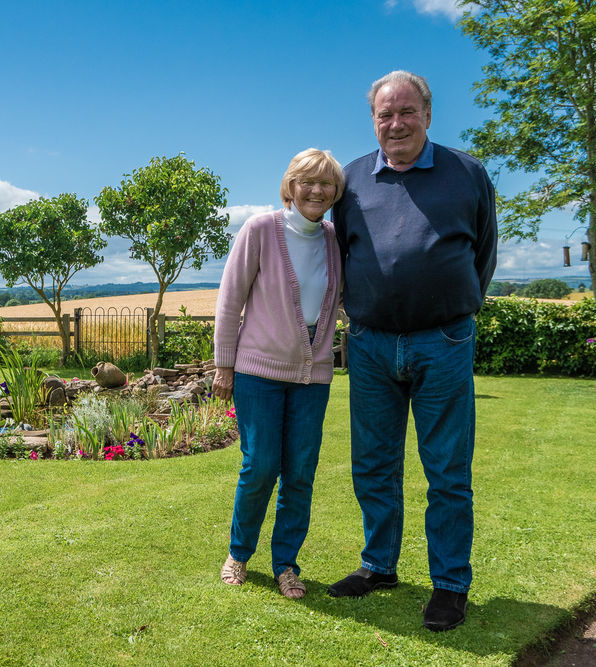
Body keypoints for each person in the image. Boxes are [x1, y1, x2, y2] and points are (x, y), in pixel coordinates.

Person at [328, 71, 497, 631]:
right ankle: (378, 566)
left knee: (448, 470)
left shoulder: (467, 174)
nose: (395, 123)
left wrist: (454, 305)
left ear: (428, 114)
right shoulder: (349, 182)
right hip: (371, 345)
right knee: (373, 465)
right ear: (372, 119)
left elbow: (483, 256)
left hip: (443, 342)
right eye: (384, 114)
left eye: (406, 112)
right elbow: (342, 256)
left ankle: (450, 584)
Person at [213, 148, 344, 600]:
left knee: (301, 472)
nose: (316, 190)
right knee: (261, 465)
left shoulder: (334, 239)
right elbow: (230, 301)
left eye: (326, 183)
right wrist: (223, 366)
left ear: (336, 193)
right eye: (307, 181)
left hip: (314, 376)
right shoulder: (261, 229)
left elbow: (341, 300)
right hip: (258, 372)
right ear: (290, 186)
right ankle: (238, 554)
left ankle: (286, 563)